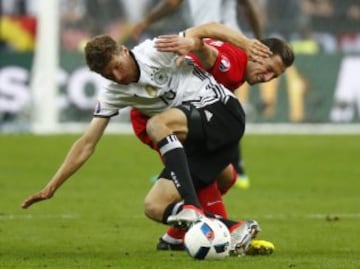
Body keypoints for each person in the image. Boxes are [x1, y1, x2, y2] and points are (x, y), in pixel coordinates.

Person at [21, 22, 294, 255]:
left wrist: (206, 42)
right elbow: (87, 143)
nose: (118, 76)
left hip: (223, 113)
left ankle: (193, 208)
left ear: (124, 51)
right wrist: (52, 186)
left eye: (117, 66)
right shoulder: (113, 91)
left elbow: (205, 31)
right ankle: (227, 229)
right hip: (194, 130)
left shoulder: (155, 50)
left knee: (158, 124)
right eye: (108, 74)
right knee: (155, 205)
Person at [132, 0, 265, 190]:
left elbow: (171, 3)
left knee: (211, 106)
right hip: (216, 40)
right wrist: (258, 38)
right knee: (218, 105)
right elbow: (248, 6)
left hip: (216, 42)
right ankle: (227, 167)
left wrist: (147, 21)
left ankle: (193, 169)